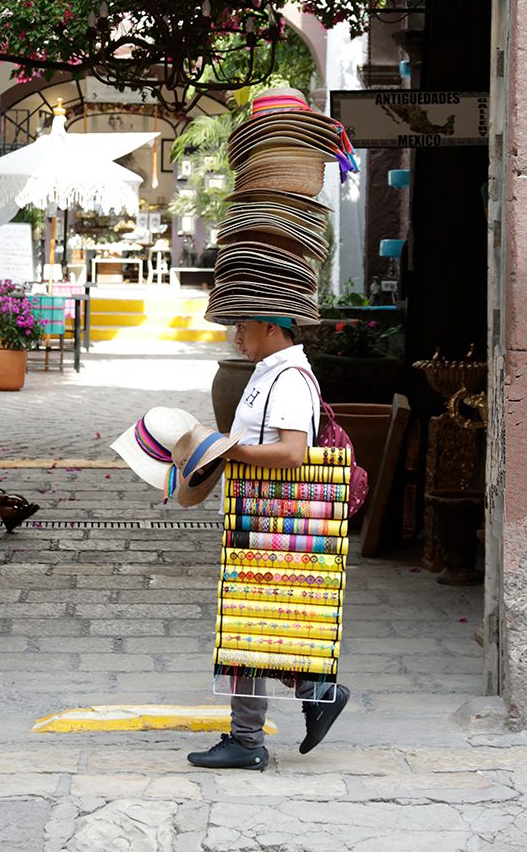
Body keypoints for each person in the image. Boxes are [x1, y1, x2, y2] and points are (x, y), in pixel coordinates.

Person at [187, 316, 351, 771]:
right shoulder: (269, 373)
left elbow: (292, 452)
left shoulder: (289, 380)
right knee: (254, 624)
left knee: (246, 627)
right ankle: (315, 696)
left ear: (272, 327)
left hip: (275, 518)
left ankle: (250, 737)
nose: (235, 337)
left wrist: (226, 449)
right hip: (260, 514)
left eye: (242, 326)